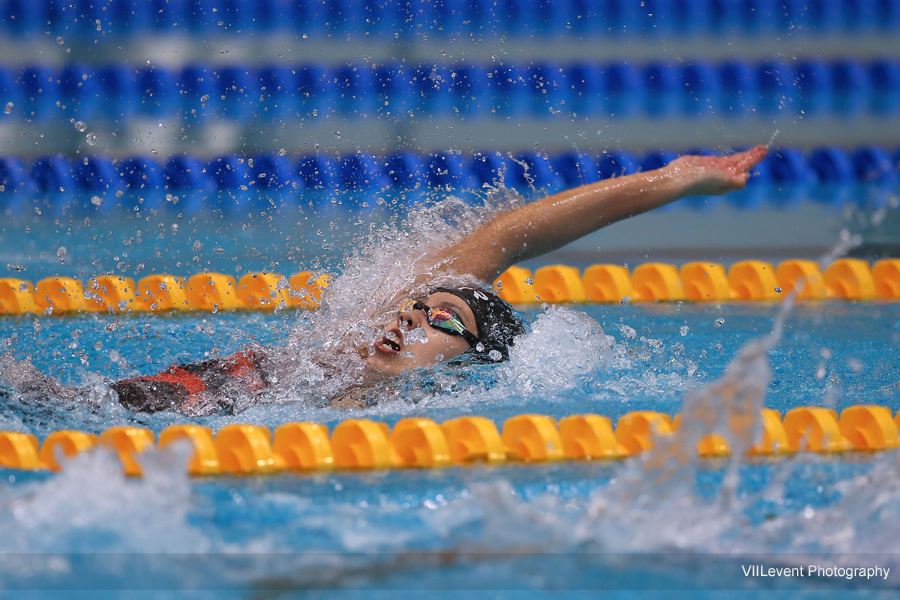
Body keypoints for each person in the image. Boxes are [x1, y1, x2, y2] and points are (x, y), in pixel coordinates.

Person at [0, 145, 755, 414]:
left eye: (438, 321)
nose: (409, 318)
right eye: (417, 305)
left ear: (469, 357)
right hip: (175, 394)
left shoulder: (439, 411)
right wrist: (674, 179)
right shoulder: (340, 348)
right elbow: (514, 234)